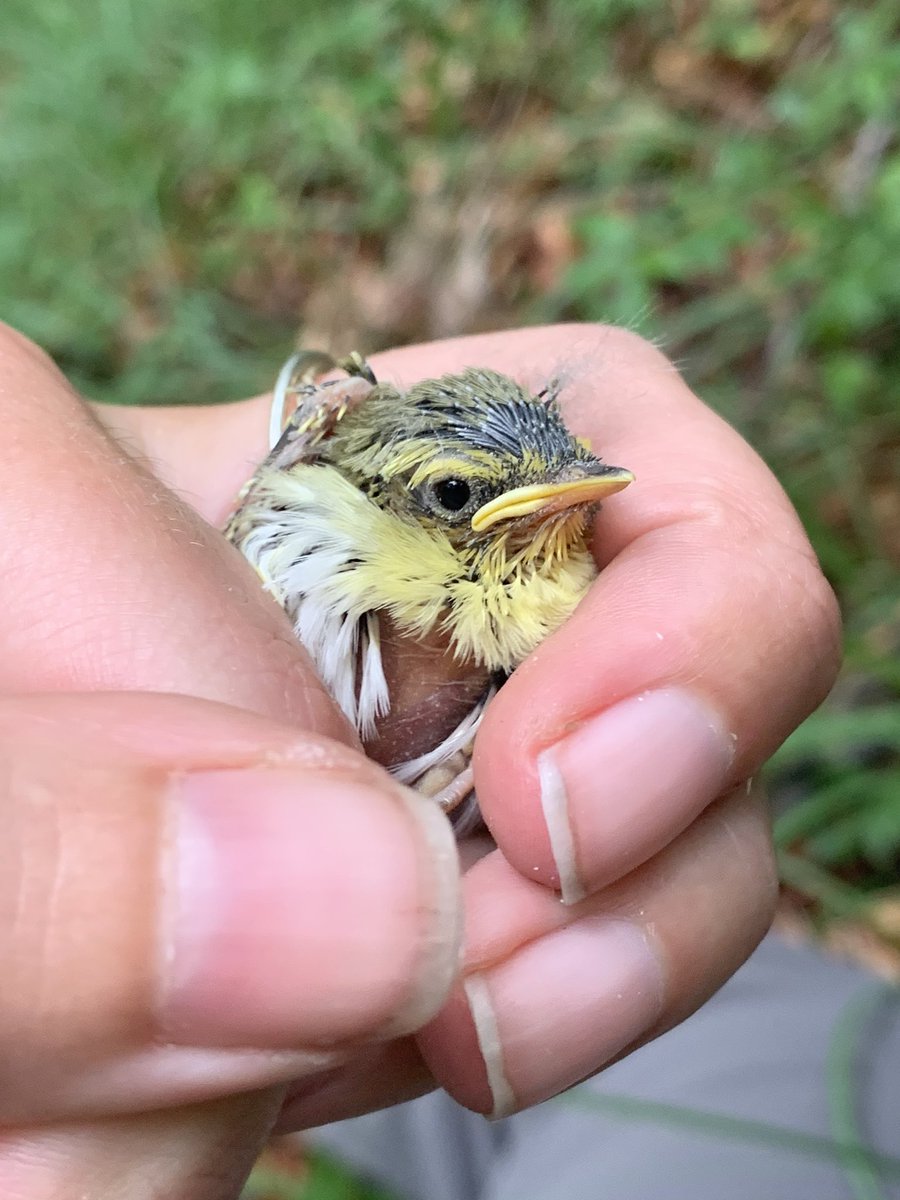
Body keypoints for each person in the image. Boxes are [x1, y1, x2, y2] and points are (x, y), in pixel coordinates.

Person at [1, 318, 892, 1200]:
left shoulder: (558, 596)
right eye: (460, 497)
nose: (569, 498)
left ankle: (355, 1074)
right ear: (393, 498)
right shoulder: (332, 533)